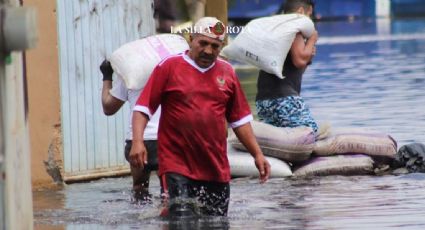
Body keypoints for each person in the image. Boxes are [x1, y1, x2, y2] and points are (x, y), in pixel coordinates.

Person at [129, 17, 271, 218]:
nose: (208, 50)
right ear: (190, 39)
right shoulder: (169, 67)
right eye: (202, 43)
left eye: (215, 46)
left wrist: (257, 154)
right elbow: (142, 109)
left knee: (216, 223)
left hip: (215, 168)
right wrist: (137, 141)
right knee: (182, 221)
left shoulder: (227, 72)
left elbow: (239, 121)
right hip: (176, 165)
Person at [99, 60, 162, 200]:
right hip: (165, 141)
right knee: (169, 192)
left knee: (139, 189)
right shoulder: (172, 74)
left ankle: (139, 221)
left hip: (137, 141)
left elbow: (108, 108)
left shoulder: (130, 77)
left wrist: (107, 77)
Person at [255, 0, 319, 134]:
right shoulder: (294, 27)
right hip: (283, 100)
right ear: (301, 11)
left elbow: (297, 69)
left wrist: (308, 56)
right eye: (310, 14)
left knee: (281, 137)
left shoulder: (276, 29)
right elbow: (299, 62)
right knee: (310, 132)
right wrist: (313, 38)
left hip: (263, 102)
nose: (311, 20)